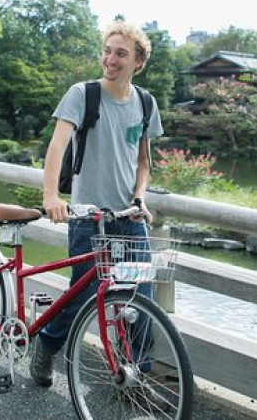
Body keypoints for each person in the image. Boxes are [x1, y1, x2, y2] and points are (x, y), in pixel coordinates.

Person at [31, 20, 163, 387]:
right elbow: (57, 146)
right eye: (107, 50)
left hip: (128, 216)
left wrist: (139, 196)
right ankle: (48, 344)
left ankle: (138, 376)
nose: (111, 59)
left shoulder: (145, 103)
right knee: (84, 294)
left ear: (138, 61)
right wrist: (51, 197)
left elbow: (143, 162)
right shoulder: (82, 94)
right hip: (89, 217)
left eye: (121, 53)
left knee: (141, 297)